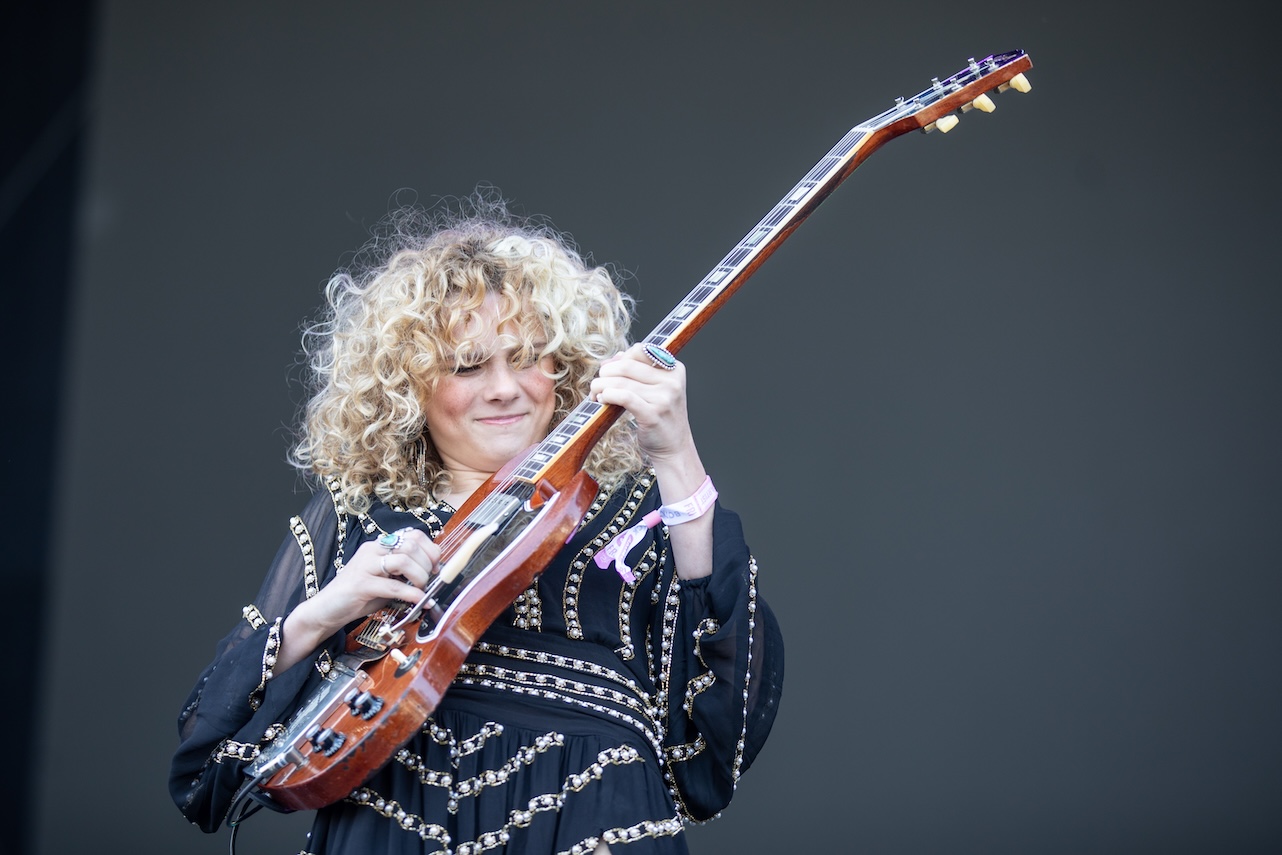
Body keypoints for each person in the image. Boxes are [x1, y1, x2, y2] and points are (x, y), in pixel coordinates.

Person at [169, 196, 784, 854]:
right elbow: (205, 769)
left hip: (592, 823)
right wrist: (326, 612)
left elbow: (721, 736)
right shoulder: (358, 519)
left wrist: (676, 456)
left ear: (565, 365)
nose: (504, 388)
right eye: (468, 365)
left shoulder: (639, 507)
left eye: (528, 356)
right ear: (409, 385)